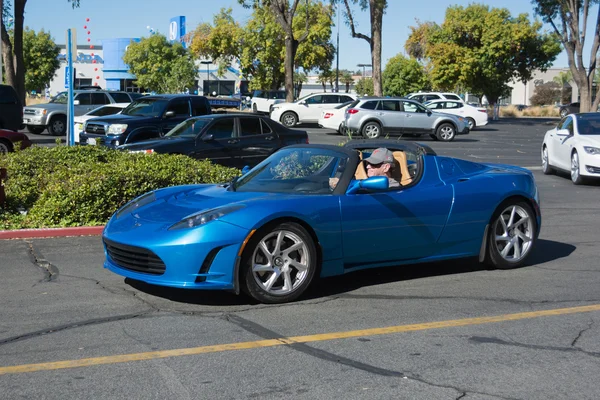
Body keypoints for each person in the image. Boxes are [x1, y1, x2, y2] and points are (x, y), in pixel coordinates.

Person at [329, 147, 400, 189]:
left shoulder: (393, 187)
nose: (367, 166)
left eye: (373, 164)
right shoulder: (368, 180)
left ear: (386, 168)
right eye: (368, 163)